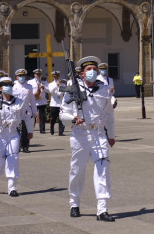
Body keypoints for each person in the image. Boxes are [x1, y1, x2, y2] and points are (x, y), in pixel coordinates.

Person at [59, 56, 116, 221]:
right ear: (82, 73)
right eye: (88, 69)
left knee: (103, 170)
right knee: (77, 171)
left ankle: (102, 209)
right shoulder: (72, 89)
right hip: (80, 134)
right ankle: (74, 203)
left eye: (94, 69)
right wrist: (72, 119)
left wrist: (111, 135)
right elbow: (63, 113)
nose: (92, 71)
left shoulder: (104, 89)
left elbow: (109, 115)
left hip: (98, 134)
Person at [0, 77, 33, 196]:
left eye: (10, 85)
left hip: (13, 134)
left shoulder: (19, 101)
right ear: (0, 88)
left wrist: (30, 131)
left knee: (13, 159)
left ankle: (12, 188)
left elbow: (26, 116)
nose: (8, 87)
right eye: (5, 85)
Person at [12, 69, 36, 152]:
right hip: (16, 110)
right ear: (16, 77)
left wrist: (34, 111)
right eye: (20, 76)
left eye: (23, 76)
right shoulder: (13, 86)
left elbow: (32, 100)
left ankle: (25, 146)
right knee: (16, 129)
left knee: (26, 129)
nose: (22, 77)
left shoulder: (29, 87)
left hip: (26, 110)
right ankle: (17, 146)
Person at [30, 69, 49, 135]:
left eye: (39, 74)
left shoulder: (44, 81)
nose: (38, 75)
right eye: (37, 74)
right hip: (34, 101)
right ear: (34, 75)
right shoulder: (30, 82)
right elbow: (29, 90)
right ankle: (31, 128)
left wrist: (44, 88)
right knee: (33, 116)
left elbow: (48, 90)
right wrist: (34, 94)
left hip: (42, 101)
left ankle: (42, 129)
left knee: (42, 116)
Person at [47, 71, 66, 136]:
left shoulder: (63, 84)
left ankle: (61, 131)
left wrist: (61, 87)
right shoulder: (51, 84)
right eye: (55, 76)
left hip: (61, 103)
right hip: (54, 104)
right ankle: (52, 128)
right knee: (53, 118)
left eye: (57, 76)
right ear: (53, 77)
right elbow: (51, 91)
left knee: (61, 118)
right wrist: (56, 86)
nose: (56, 77)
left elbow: (64, 93)